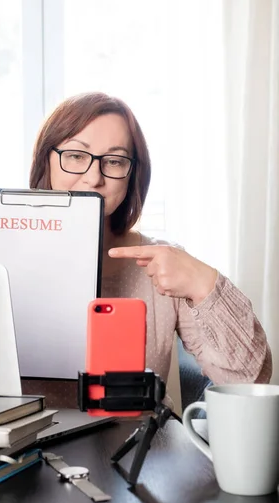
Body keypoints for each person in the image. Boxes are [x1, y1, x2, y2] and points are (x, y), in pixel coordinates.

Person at [22, 92, 272, 408]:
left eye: (113, 161)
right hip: (29, 449)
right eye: (75, 155)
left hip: (137, 448)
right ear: (47, 159)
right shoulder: (4, 257)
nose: (93, 177)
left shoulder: (160, 263)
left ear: (132, 174)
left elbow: (250, 382)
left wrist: (205, 284)